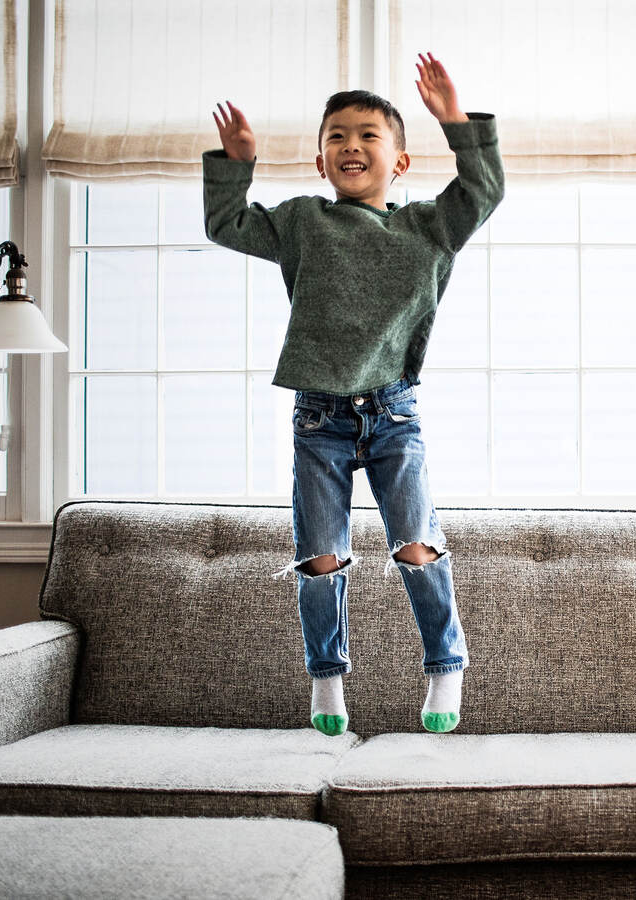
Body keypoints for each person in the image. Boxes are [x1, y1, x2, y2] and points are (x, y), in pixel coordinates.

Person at [203, 54, 504, 736]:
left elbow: (482, 192)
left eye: (369, 135)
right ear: (319, 160)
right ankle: (328, 680)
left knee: (417, 544)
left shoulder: (427, 229)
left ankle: (445, 662)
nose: (352, 145)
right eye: (337, 135)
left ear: (399, 162)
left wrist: (456, 122)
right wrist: (238, 163)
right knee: (320, 557)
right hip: (319, 418)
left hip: (394, 412)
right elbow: (226, 225)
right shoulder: (304, 221)